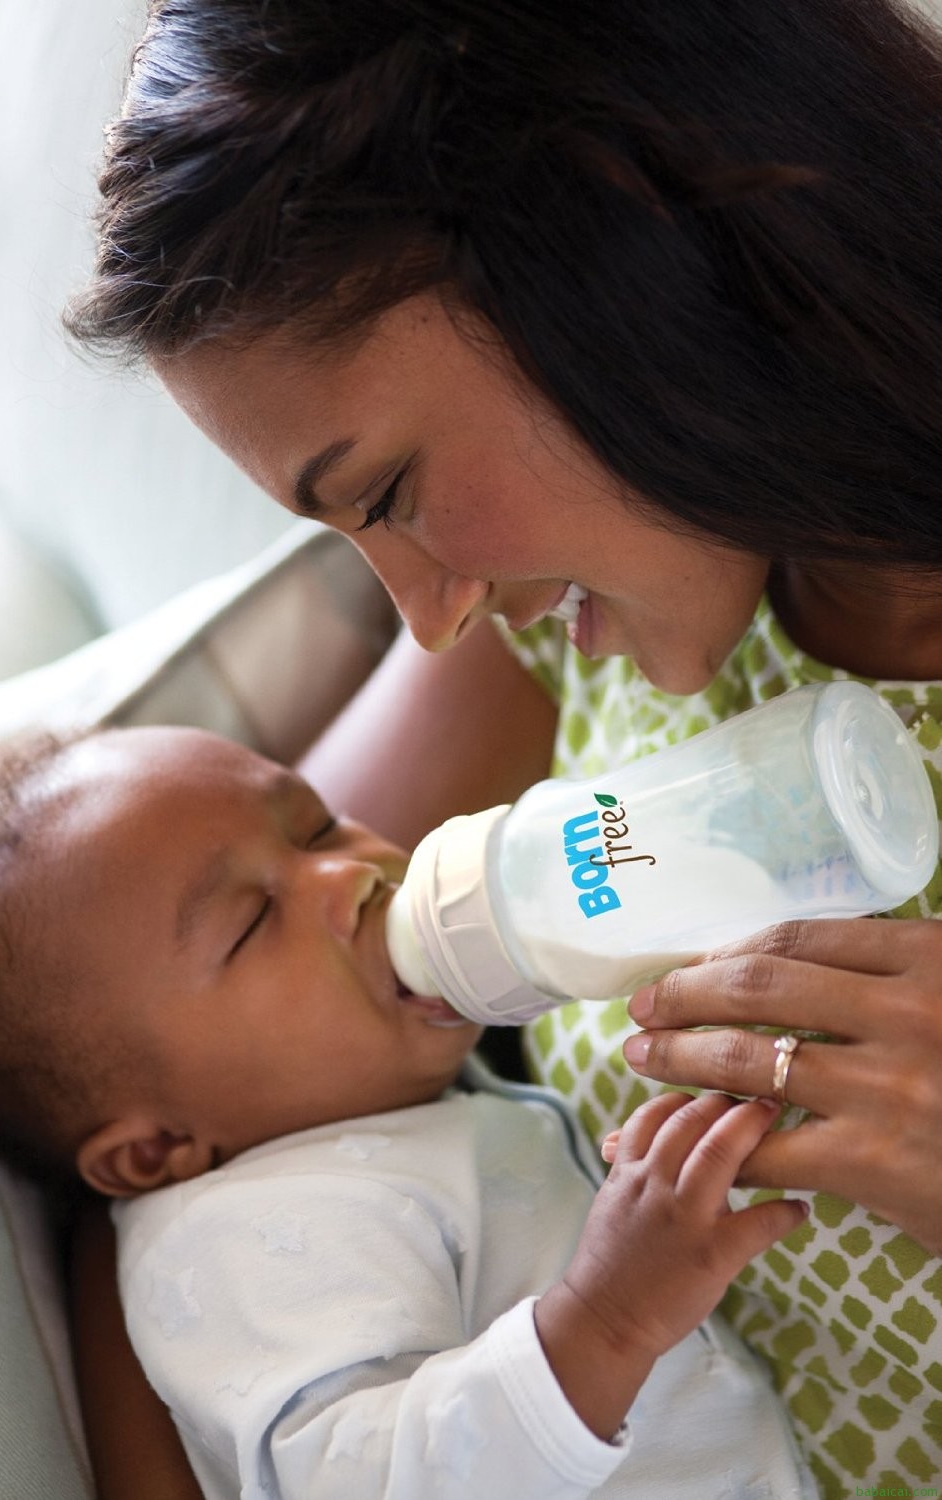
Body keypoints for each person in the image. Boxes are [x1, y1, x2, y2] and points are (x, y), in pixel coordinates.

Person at [63, 0, 942, 1491]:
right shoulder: (570, 622)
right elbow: (150, 1095)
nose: (427, 619)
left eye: (389, 491)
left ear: (611, 245)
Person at [0, 724, 815, 1500]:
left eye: (318, 825)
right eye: (251, 923)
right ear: (157, 1149)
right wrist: (608, 1320)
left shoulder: (378, 1101)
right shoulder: (240, 1237)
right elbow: (365, 1478)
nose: (351, 874)